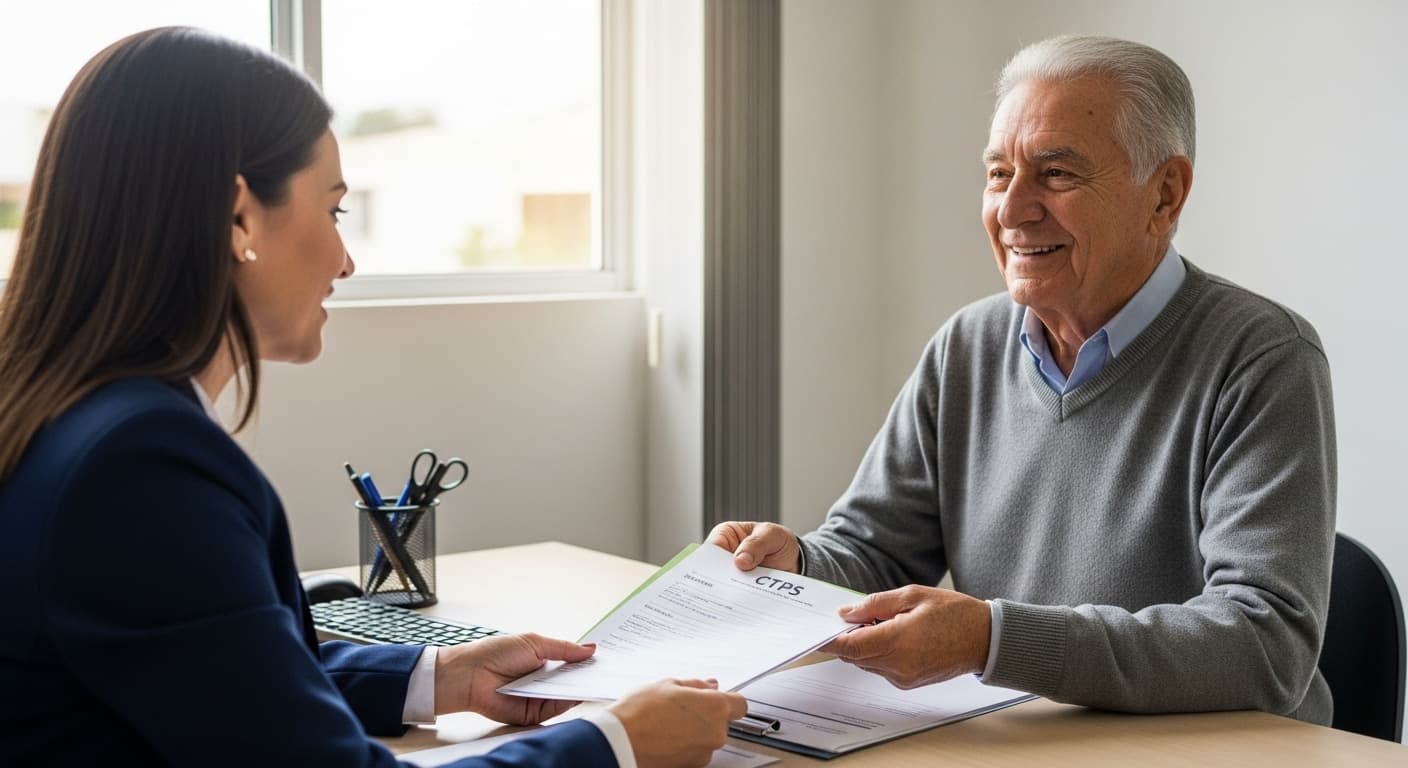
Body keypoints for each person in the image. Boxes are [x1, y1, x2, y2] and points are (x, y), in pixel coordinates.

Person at [0, 27, 743, 767]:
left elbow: (216, 682)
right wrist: (615, 744)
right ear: (238, 217)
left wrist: (440, 676)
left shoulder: (69, 420)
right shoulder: (142, 467)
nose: (346, 261)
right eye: (333, 211)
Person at [711, 34, 1335, 724]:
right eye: (1000, 173)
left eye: (1057, 175)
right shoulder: (967, 347)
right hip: (1029, 738)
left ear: (1165, 193)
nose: (1012, 211)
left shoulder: (1262, 357)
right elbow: (872, 549)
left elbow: (1265, 644)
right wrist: (794, 563)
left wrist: (994, 640)